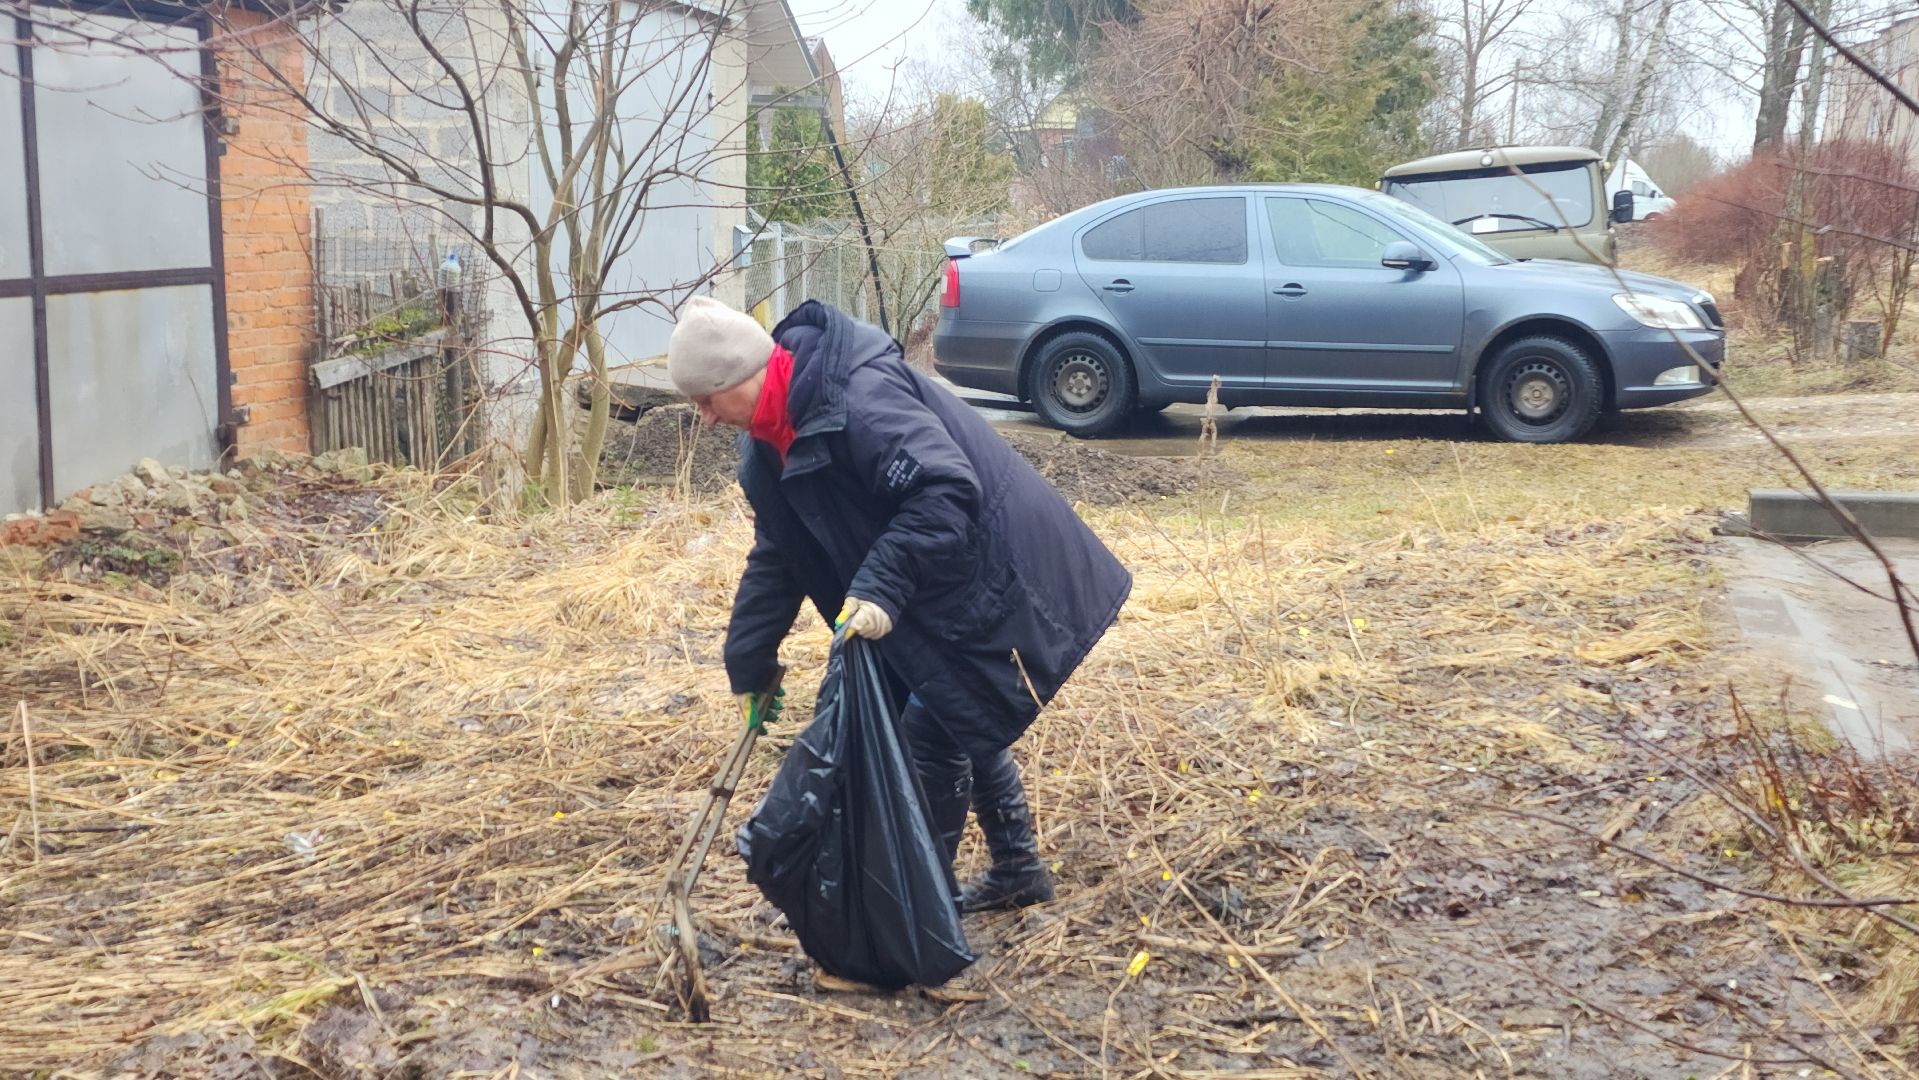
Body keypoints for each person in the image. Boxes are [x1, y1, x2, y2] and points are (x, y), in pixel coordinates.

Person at [667, 294, 1131, 911]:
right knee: (959, 704)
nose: (705, 419)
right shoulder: (764, 448)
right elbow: (780, 552)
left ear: (742, 375)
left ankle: (917, 920)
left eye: (706, 399)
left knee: (931, 737)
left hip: (992, 560)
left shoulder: (855, 396)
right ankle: (1017, 869)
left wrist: (879, 585)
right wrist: (747, 662)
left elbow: (944, 488)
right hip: (930, 576)